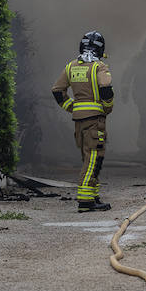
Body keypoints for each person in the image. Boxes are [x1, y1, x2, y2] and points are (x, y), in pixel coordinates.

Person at [51, 30, 115, 212]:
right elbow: (105, 89)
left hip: (79, 121)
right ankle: (85, 200)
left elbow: (57, 91)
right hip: (95, 120)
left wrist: (73, 107)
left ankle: (93, 196)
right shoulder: (99, 67)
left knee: (88, 158)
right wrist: (108, 107)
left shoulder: (71, 67)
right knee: (94, 159)